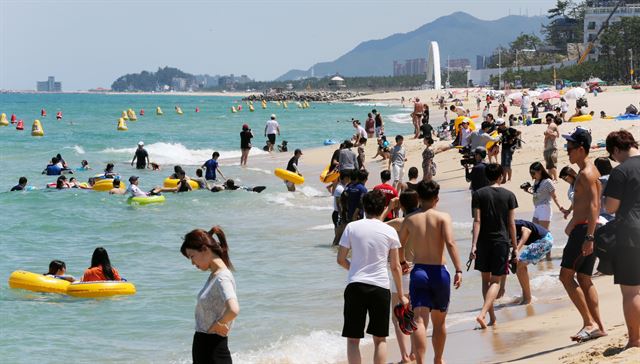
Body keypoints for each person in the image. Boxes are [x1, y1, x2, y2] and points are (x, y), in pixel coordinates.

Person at [336, 190, 408, 364]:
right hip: (380, 288)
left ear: (364, 207)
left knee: (353, 340)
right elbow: (395, 266)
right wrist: (401, 295)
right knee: (380, 339)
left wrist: (355, 270)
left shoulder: (352, 227)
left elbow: (340, 259)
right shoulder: (389, 231)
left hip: (355, 286)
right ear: (384, 207)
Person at [399, 181, 463, 364]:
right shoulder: (443, 217)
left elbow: (399, 244)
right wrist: (459, 269)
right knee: (439, 322)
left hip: (419, 272)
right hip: (439, 272)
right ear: (437, 198)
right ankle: (438, 359)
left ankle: (420, 361)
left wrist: (403, 261)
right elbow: (450, 243)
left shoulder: (410, 219)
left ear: (418, 198)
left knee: (419, 320)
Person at [558, 128, 606, 342]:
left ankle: (589, 323)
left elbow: (596, 204)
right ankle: (599, 326)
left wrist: (588, 236)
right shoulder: (588, 170)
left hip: (585, 231)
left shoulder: (587, 173)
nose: (566, 151)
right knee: (584, 278)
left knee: (565, 277)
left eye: (569, 147)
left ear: (580, 149)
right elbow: (585, 204)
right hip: (583, 228)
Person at [603, 130, 640, 349]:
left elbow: (611, 207)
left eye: (612, 155)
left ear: (616, 150)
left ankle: (635, 339)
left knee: (631, 290)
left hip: (631, 232)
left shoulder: (621, 171)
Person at [180, 226, 239, 364]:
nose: (193, 263)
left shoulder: (221, 277)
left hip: (213, 352)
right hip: (207, 350)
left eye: (192, 256)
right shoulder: (215, 276)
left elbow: (234, 309)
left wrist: (220, 324)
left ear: (205, 249)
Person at [470, 163, 518, 329]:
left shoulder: (478, 194)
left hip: (483, 241)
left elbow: (477, 220)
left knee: (485, 280)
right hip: (501, 241)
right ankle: (483, 314)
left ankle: (491, 317)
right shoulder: (509, 195)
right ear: (501, 176)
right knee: (496, 281)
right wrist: (516, 247)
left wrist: (473, 245)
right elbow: (511, 223)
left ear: (486, 177)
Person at [384, 190, 420, 362]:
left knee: (397, 314)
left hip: (402, 270)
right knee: (413, 312)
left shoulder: (400, 222)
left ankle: (405, 355)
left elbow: (375, 224)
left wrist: (389, 207)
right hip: (419, 269)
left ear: (402, 206)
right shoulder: (422, 221)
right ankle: (414, 352)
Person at [513, 219, 553, 304]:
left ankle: (528, 298)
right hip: (542, 240)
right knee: (519, 265)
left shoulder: (512, 224)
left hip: (544, 240)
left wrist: (517, 249)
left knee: (519, 265)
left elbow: (527, 231)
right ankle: (526, 296)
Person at [525, 162, 563, 233]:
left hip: (544, 208)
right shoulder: (536, 181)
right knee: (535, 231)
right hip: (537, 208)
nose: (532, 175)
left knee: (544, 233)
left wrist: (560, 207)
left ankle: (549, 243)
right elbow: (537, 194)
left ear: (540, 171)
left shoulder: (548, 182)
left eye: (533, 172)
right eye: (531, 173)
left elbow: (554, 196)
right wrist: (527, 190)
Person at [543, 113, 560, 181]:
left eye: (549, 120)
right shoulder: (550, 127)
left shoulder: (554, 127)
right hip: (547, 148)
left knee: (553, 165)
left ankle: (555, 179)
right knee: (549, 166)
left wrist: (547, 133)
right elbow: (547, 135)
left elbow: (556, 135)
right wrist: (547, 133)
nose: (548, 121)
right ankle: (550, 179)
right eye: (547, 120)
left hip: (552, 148)